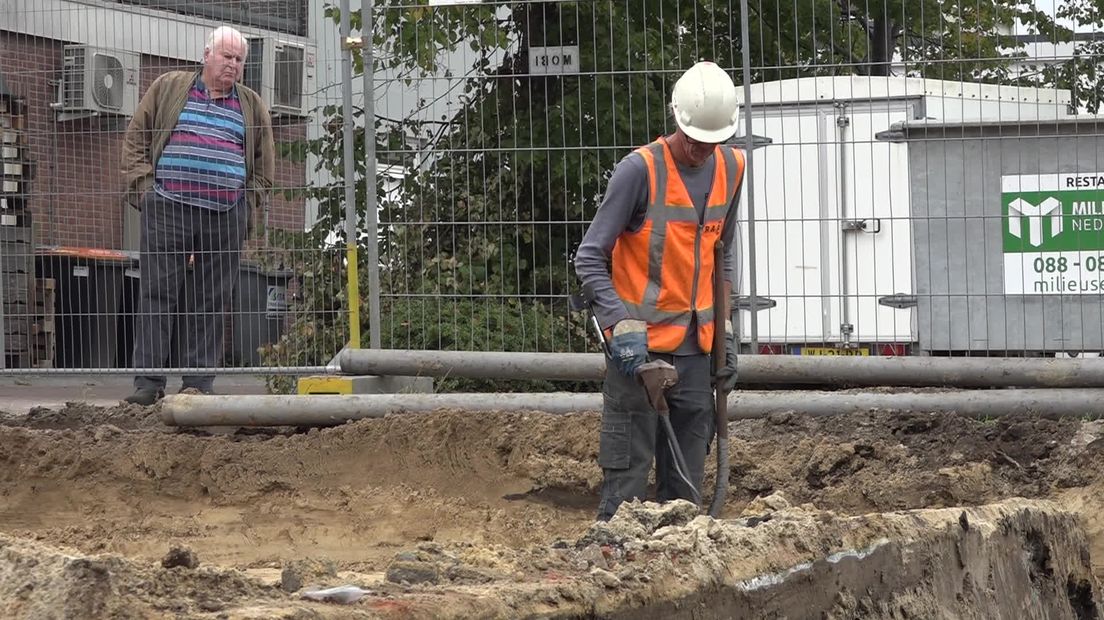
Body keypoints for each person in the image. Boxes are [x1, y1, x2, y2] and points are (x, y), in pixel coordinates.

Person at [574, 61, 744, 521]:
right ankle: (614, 567)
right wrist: (618, 323)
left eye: (713, 143)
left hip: (695, 357)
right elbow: (589, 257)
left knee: (684, 499)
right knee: (627, 488)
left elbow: (720, 251)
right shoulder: (640, 170)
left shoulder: (732, 166)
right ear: (676, 121)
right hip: (638, 355)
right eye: (694, 141)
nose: (703, 152)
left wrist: (725, 330)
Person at [120, 25, 275, 405]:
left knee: (211, 299)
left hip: (225, 214)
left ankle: (198, 386)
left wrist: (245, 202)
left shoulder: (251, 104)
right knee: (158, 293)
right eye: (227, 56)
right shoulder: (170, 87)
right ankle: (148, 385)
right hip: (168, 206)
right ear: (207, 55)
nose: (234, 65)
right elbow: (136, 138)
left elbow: (264, 165)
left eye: (240, 60)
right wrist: (145, 191)